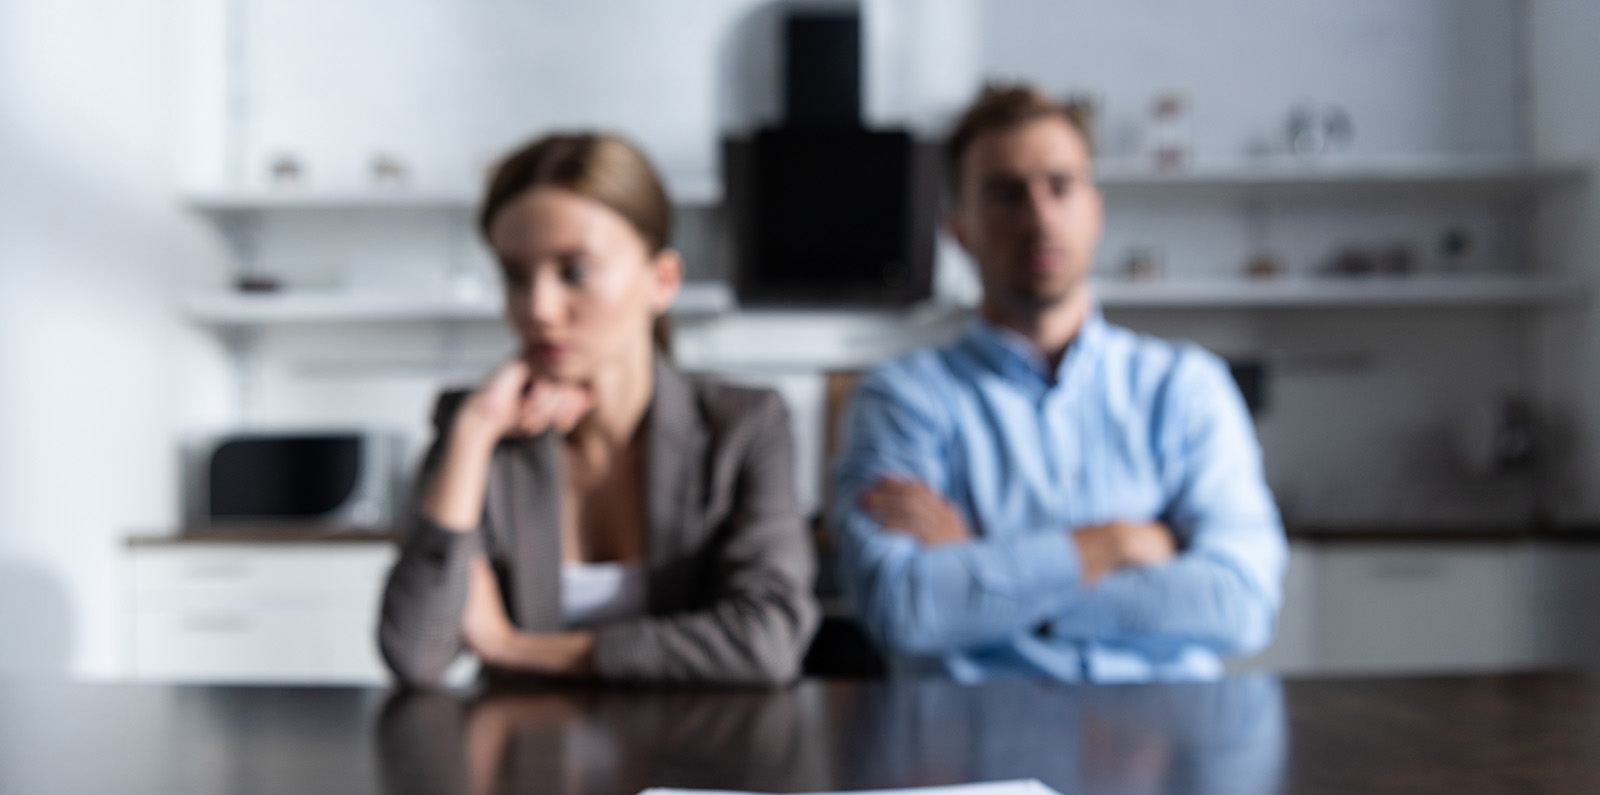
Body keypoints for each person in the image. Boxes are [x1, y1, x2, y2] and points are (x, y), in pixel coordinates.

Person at [831, 84, 1287, 682]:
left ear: (1095, 210)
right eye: (1004, 194)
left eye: (1061, 186)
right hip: (973, 746)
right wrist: (1115, 545)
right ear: (959, 230)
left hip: (1166, 747)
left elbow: (1242, 603)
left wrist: (983, 578)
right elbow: (906, 606)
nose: (1040, 217)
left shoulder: (1185, 388)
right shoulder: (901, 399)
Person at [380, 132, 817, 687]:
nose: (538, 309)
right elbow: (414, 655)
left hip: (694, 759)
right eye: (515, 275)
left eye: (575, 272)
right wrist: (474, 432)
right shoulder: (479, 428)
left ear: (661, 281)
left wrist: (515, 649)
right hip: (527, 764)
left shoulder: (743, 425)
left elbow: (769, 641)